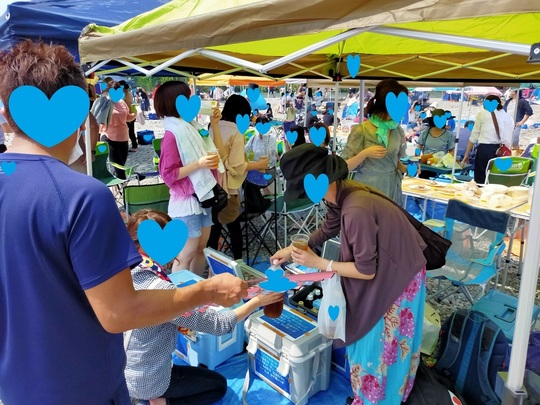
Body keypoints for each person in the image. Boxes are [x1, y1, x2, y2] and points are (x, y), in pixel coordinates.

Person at [0, 40, 248, 405]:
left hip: (16, 386)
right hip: (83, 387)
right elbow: (120, 312)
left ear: (8, 116)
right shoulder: (82, 196)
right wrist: (208, 291)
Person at [271, 144, 427, 405]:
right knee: (380, 342)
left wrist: (320, 263)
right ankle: (380, 395)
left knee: (378, 345)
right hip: (394, 262)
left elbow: (365, 270)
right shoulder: (340, 192)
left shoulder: (356, 210)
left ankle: (376, 399)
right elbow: (328, 228)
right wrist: (292, 249)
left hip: (401, 274)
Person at [125, 209, 282, 405]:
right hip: (148, 379)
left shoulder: (126, 272)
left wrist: (202, 298)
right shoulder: (161, 290)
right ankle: (158, 401)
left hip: (125, 370)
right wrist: (258, 301)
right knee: (218, 386)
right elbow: (219, 324)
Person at [156, 81, 225, 275]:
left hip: (204, 196)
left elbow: (217, 152)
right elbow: (168, 174)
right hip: (187, 202)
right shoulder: (172, 134)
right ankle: (181, 291)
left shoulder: (192, 127)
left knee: (201, 249)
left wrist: (215, 124)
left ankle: (196, 288)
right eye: (187, 97)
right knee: (186, 254)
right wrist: (199, 164)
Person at [206, 95, 268, 260]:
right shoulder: (236, 131)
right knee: (233, 226)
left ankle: (212, 263)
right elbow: (237, 165)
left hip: (211, 184)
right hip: (228, 187)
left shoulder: (213, 126)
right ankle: (238, 262)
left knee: (215, 227)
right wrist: (259, 164)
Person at [340, 79, 408, 204]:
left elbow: (395, 161)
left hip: (392, 187)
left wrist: (408, 169)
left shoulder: (397, 130)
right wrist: (364, 154)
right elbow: (344, 167)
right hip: (368, 189)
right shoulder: (362, 130)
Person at [462, 95, 513, 184]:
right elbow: (509, 138)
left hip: (484, 150)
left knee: (481, 180)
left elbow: (474, 137)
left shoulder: (482, 114)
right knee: (495, 179)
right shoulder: (508, 117)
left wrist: (466, 154)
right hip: (500, 150)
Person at [102, 80, 137, 179]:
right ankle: (123, 187)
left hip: (124, 137)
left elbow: (127, 118)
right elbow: (99, 119)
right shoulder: (105, 103)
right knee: (119, 169)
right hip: (110, 137)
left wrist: (135, 113)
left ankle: (117, 186)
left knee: (121, 166)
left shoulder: (122, 102)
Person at [416, 109, 456, 179]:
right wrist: (416, 158)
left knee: (425, 175)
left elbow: (452, 151)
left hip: (440, 165)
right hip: (425, 163)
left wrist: (445, 160)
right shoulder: (425, 133)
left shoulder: (448, 135)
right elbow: (419, 147)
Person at [119, 80, 138, 152]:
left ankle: (134, 146)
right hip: (131, 114)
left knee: (130, 132)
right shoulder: (128, 93)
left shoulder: (125, 95)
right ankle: (133, 145)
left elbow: (127, 107)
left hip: (129, 115)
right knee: (130, 131)